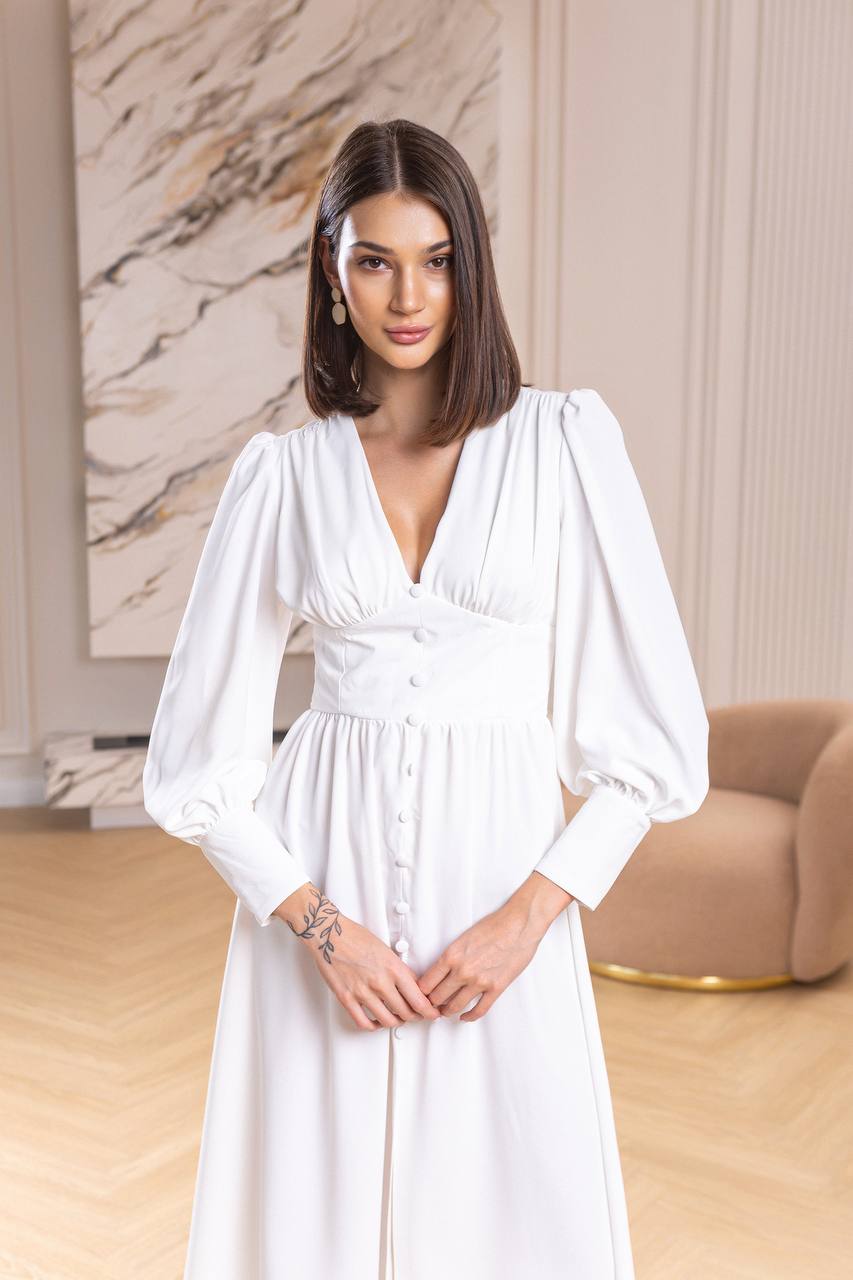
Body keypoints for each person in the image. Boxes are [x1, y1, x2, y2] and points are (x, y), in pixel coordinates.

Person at [143, 117, 709, 1279]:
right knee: (312, 1205)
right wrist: (318, 926)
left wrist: (529, 918)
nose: (408, 294)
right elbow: (194, 761)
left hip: (500, 883)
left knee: (515, 1195)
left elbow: (653, 741)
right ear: (329, 271)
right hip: (321, 887)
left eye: (436, 257)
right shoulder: (283, 474)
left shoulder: (562, 443)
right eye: (373, 258)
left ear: (471, 267)